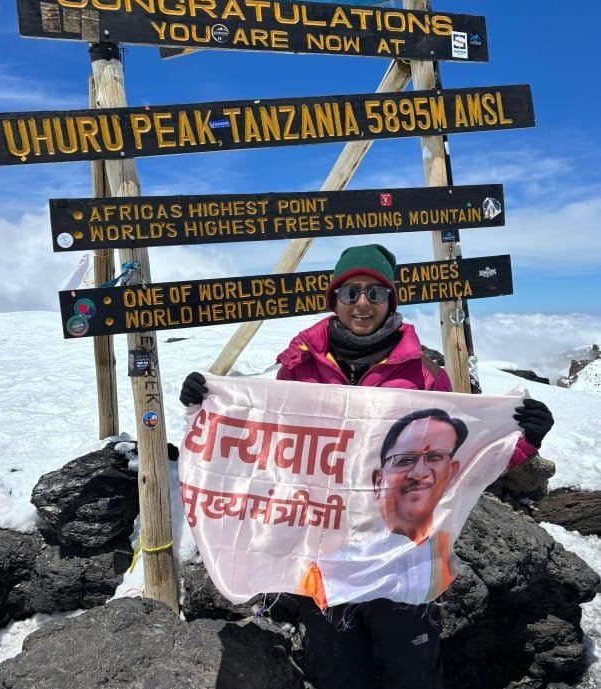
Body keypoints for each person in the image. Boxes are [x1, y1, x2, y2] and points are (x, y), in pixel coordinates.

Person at [180, 243, 554, 689]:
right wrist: (209, 407)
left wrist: (526, 439)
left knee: (412, 676)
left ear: (390, 301)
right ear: (334, 299)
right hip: (324, 561)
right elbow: (270, 449)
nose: (362, 303)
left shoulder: (426, 376)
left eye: (375, 294)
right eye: (351, 292)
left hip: (402, 563)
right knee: (338, 676)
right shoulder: (299, 369)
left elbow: (467, 462)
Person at [373, 408, 468, 543]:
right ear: (378, 481)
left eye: (434, 457)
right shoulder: (344, 553)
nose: (419, 474)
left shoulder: (448, 554)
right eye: (405, 460)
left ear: (451, 473)